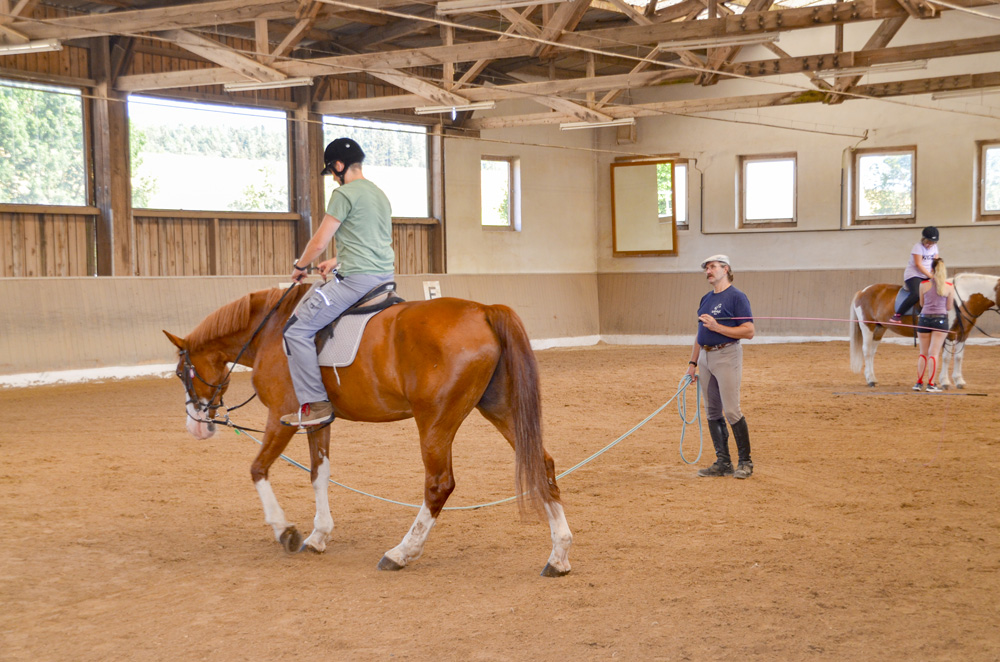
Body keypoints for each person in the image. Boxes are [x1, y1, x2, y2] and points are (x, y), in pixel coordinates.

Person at [280, 138, 395, 427]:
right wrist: (337, 261)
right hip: (384, 279)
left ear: (340, 166)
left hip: (355, 283)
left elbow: (319, 241)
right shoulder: (379, 194)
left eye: (332, 171)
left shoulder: (344, 194)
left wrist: (300, 266)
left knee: (295, 330)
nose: (333, 176)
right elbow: (370, 240)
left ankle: (316, 404)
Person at [685, 255, 756, 479]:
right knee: (712, 411)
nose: (708, 270)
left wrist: (718, 327)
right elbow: (700, 334)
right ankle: (723, 462)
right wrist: (692, 363)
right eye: (706, 267)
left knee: (732, 410)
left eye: (713, 266)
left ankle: (745, 462)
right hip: (705, 357)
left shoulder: (737, 297)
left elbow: (748, 331)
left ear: (725, 269)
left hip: (726, 355)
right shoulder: (705, 299)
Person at [914, 257, 955, 393]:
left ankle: (919, 383)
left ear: (931, 269)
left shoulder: (923, 284)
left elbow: (921, 304)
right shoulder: (949, 287)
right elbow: (949, 307)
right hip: (941, 321)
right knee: (934, 353)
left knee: (923, 352)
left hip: (924, 319)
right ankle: (931, 384)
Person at [890, 226, 939, 324]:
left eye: (932, 242)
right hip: (914, 275)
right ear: (923, 239)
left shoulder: (934, 247)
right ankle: (898, 315)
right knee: (916, 294)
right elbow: (918, 264)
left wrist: (935, 274)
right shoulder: (918, 247)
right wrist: (930, 276)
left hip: (928, 275)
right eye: (928, 242)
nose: (930, 245)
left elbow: (935, 262)